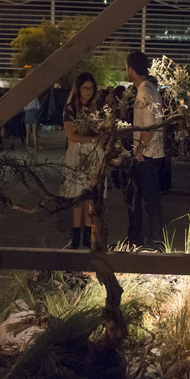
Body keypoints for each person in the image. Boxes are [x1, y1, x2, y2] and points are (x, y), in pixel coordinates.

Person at [125, 51, 164, 249]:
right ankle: (141, 239)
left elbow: (149, 126)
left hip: (148, 156)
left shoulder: (144, 92)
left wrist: (139, 150)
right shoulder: (150, 89)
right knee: (145, 200)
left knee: (149, 201)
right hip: (151, 154)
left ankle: (155, 242)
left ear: (131, 69)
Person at [60, 73, 102, 249]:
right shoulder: (70, 109)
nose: (89, 91)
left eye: (91, 88)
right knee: (77, 196)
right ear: (78, 88)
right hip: (77, 153)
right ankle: (76, 235)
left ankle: (87, 233)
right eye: (85, 88)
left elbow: (103, 129)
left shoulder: (97, 108)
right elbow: (71, 135)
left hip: (93, 154)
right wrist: (93, 140)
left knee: (89, 197)